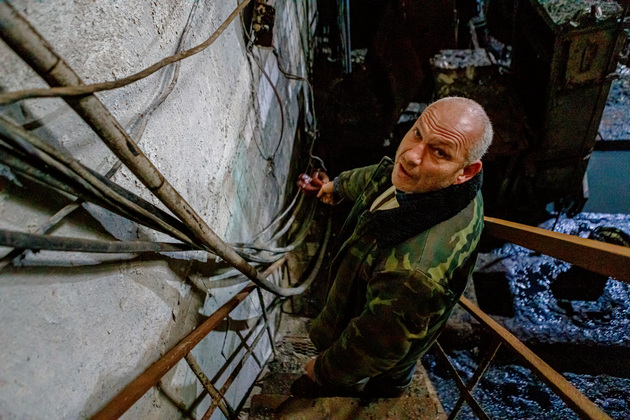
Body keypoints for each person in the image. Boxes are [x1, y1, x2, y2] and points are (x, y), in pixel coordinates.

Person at [295, 96, 493, 398]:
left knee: (359, 386)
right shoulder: (446, 185)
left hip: (373, 357)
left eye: (439, 152)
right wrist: (338, 185)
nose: (412, 156)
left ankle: (370, 392)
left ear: (466, 171)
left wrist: (322, 371)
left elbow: (373, 348)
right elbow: (382, 177)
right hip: (378, 315)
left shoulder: (413, 274)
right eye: (417, 133)